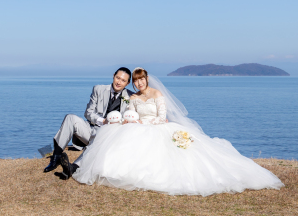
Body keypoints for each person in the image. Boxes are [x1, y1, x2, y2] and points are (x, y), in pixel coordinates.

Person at [63, 67, 283, 196]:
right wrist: (132, 121)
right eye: (136, 81)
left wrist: (150, 123)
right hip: (138, 126)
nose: (138, 83)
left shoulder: (157, 93)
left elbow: (162, 115)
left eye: (141, 80)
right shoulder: (132, 97)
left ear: (146, 79)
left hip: (157, 126)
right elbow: (130, 112)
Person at [43, 67, 131, 173]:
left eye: (123, 80)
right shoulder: (98, 89)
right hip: (91, 130)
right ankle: (56, 157)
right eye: (118, 78)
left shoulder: (130, 97)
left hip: (109, 138)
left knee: (98, 144)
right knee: (70, 118)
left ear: (127, 83)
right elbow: (88, 113)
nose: (119, 82)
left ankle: (73, 168)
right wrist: (102, 121)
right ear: (113, 76)